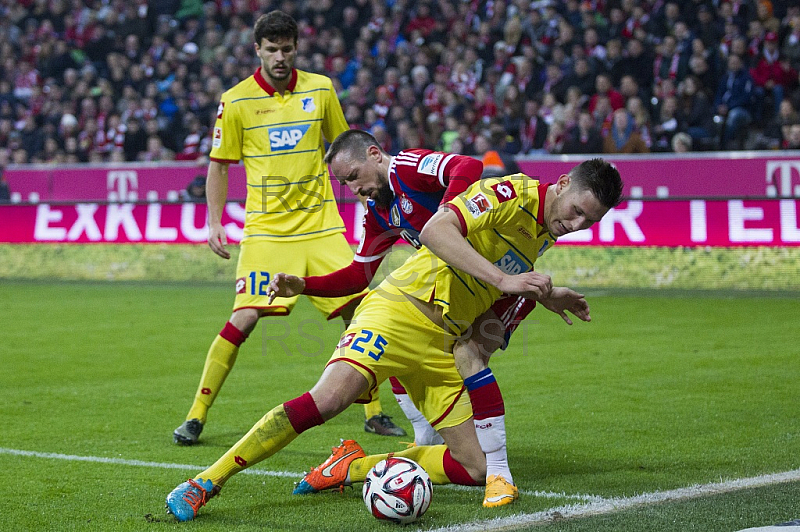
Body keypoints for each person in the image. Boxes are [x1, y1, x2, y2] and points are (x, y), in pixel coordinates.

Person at [164, 158, 624, 521]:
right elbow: (435, 230)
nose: (579, 223)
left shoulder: (545, 230)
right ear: (562, 184)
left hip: (442, 343)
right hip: (398, 311)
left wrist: (545, 295)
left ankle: (351, 466)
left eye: (591, 220)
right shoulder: (511, 192)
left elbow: (499, 267)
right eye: (578, 210)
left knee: (475, 468)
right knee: (329, 400)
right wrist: (504, 283)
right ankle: (205, 482)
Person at [265, 129, 544, 506]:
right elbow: (357, 276)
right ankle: (449, 452)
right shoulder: (380, 211)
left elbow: (468, 165)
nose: (352, 188)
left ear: (375, 154)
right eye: (344, 183)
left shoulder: (409, 167)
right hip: (464, 289)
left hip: (500, 274)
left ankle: (492, 468)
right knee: (430, 347)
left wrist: (445, 215)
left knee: (473, 357)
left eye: (352, 176)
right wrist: (303, 285)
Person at [172, 10, 402, 448]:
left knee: (363, 310)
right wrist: (215, 220)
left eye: (287, 49)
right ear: (257, 50)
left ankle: (374, 412)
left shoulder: (320, 89)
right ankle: (196, 415)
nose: (280, 57)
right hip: (266, 232)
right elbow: (219, 167)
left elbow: (344, 147)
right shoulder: (235, 101)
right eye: (272, 49)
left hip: (319, 226)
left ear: (297, 48)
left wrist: (373, 194)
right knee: (244, 316)